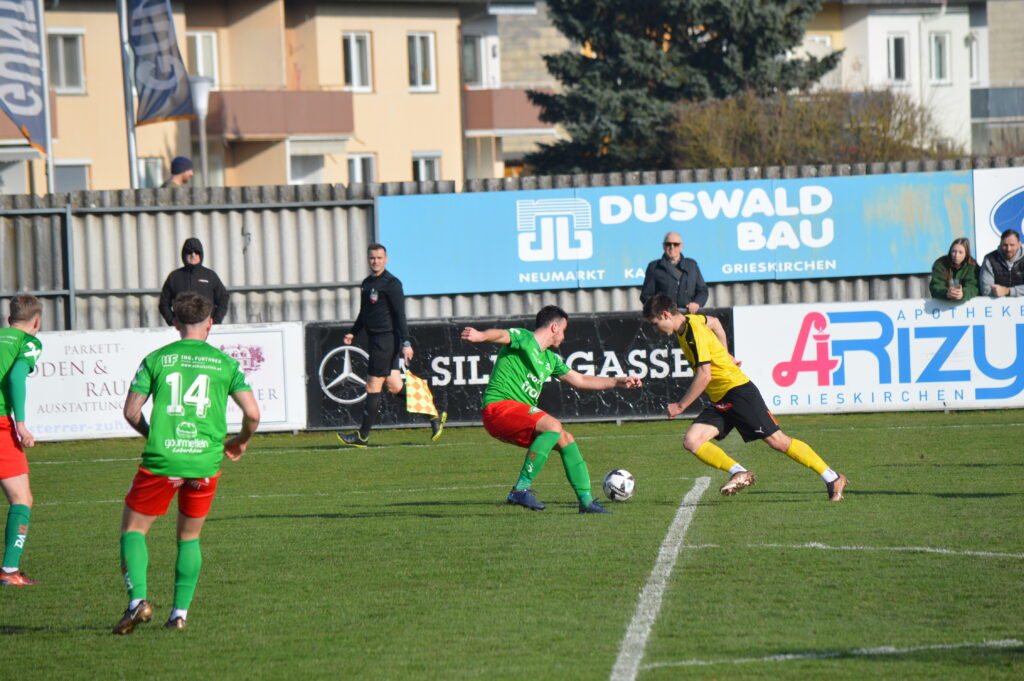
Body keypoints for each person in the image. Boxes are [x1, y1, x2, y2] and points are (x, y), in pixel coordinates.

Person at [114, 292, 260, 634]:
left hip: (162, 460)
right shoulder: (224, 364)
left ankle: (138, 602)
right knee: (189, 538)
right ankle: (179, 615)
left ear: (176, 322)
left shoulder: (157, 359)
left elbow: (131, 412)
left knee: (134, 531)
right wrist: (241, 441)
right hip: (204, 463)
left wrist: (153, 435)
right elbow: (253, 414)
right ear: (210, 322)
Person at [643, 294, 847, 501]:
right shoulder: (692, 321)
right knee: (692, 440)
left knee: (778, 441)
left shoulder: (692, 332)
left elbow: (705, 376)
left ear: (666, 314)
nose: (655, 329)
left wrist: (680, 405)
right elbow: (715, 323)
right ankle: (739, 472)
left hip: (737, 391)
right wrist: (725, 354)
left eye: (655, 323)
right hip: (721, 398)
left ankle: (833, 477)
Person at [461, 305, 643, 514]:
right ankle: (520, 489)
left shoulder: (550, 359)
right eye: (564, 330)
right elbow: (501, 334)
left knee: (565, 438)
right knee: (553, 425)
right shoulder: (524, 338)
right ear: (555, 327)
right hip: (498, 409)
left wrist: (618, 382)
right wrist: (481, 335)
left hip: (515, 415)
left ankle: (586, 502)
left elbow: (580, 380)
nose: (564, 336)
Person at [337, 243, 446, 447]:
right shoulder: (367, 283)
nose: (375, 261)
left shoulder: (392, 283)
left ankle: (362, 436)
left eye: (379, 258)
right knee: (395, 386)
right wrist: (353, 331)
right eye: (372, 258)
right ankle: (433, 414)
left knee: (372, 385)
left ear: (386, 259)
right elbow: (364, 313)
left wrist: (406, 342)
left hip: (386, 341)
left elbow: (400, 315)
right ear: (368, 259)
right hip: (376, 340)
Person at [0, 295, 43, 587]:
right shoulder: (28, 342)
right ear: (37, 322)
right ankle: (9, 571)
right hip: (0, 424)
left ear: (8, 319)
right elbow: (16, 377)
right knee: (22, 498)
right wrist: (22, 425)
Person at [158, 238, 230, 326]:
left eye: (197, 252)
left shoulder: (210, 275)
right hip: (183, 330)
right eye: (189, 252)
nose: (193, 255)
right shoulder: (174, 277)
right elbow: (163, 304)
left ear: (201, 254)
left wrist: (215, 321)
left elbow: (223, 298)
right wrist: (173, 322)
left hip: (205, 328)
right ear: (184, 254)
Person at [639, 231, 708, 314]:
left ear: (681, 246)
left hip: (688, 316)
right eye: (668, 244)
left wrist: (697, 303)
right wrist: (659, 309)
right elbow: (646, 295)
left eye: (676, 244)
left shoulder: (692, 266)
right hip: (665, 318)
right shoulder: (654, 267)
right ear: (663, 246)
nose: (672, 247)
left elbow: (702, 291)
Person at [929, 237, 979, 302]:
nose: (956, 255)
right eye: (954, 251)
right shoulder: (940, 264)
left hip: (967, 306)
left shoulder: (972, 266)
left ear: (966, 254)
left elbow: (974, 287)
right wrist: (946, 293)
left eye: (960, 252)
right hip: (943, 305)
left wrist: (963, 293)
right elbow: (935, 286)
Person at [979, 229, 1024, 298]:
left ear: (1019, 244)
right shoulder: (990, 259)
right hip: (998, 307)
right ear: (1000, 244)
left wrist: (1008, 291)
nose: (1008, 249)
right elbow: (986, 290)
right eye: (1005, 245)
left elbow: (1006, 291)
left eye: (1012, 245)